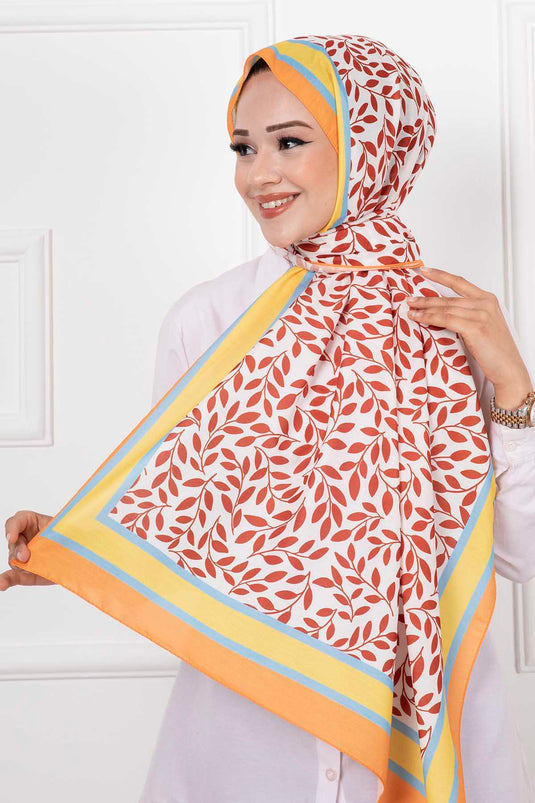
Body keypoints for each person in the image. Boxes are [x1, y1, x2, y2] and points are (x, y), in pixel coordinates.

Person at [3, 33, 535, 802]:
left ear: (371, 147)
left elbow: (517, 554)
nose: (259, 174)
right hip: (247, 734)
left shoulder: (453, 320)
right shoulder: (210, 318)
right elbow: (188, 512)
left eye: (289, 141)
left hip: (428, 718)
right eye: (243, 147)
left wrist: (514, 389)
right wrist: (75, 541)